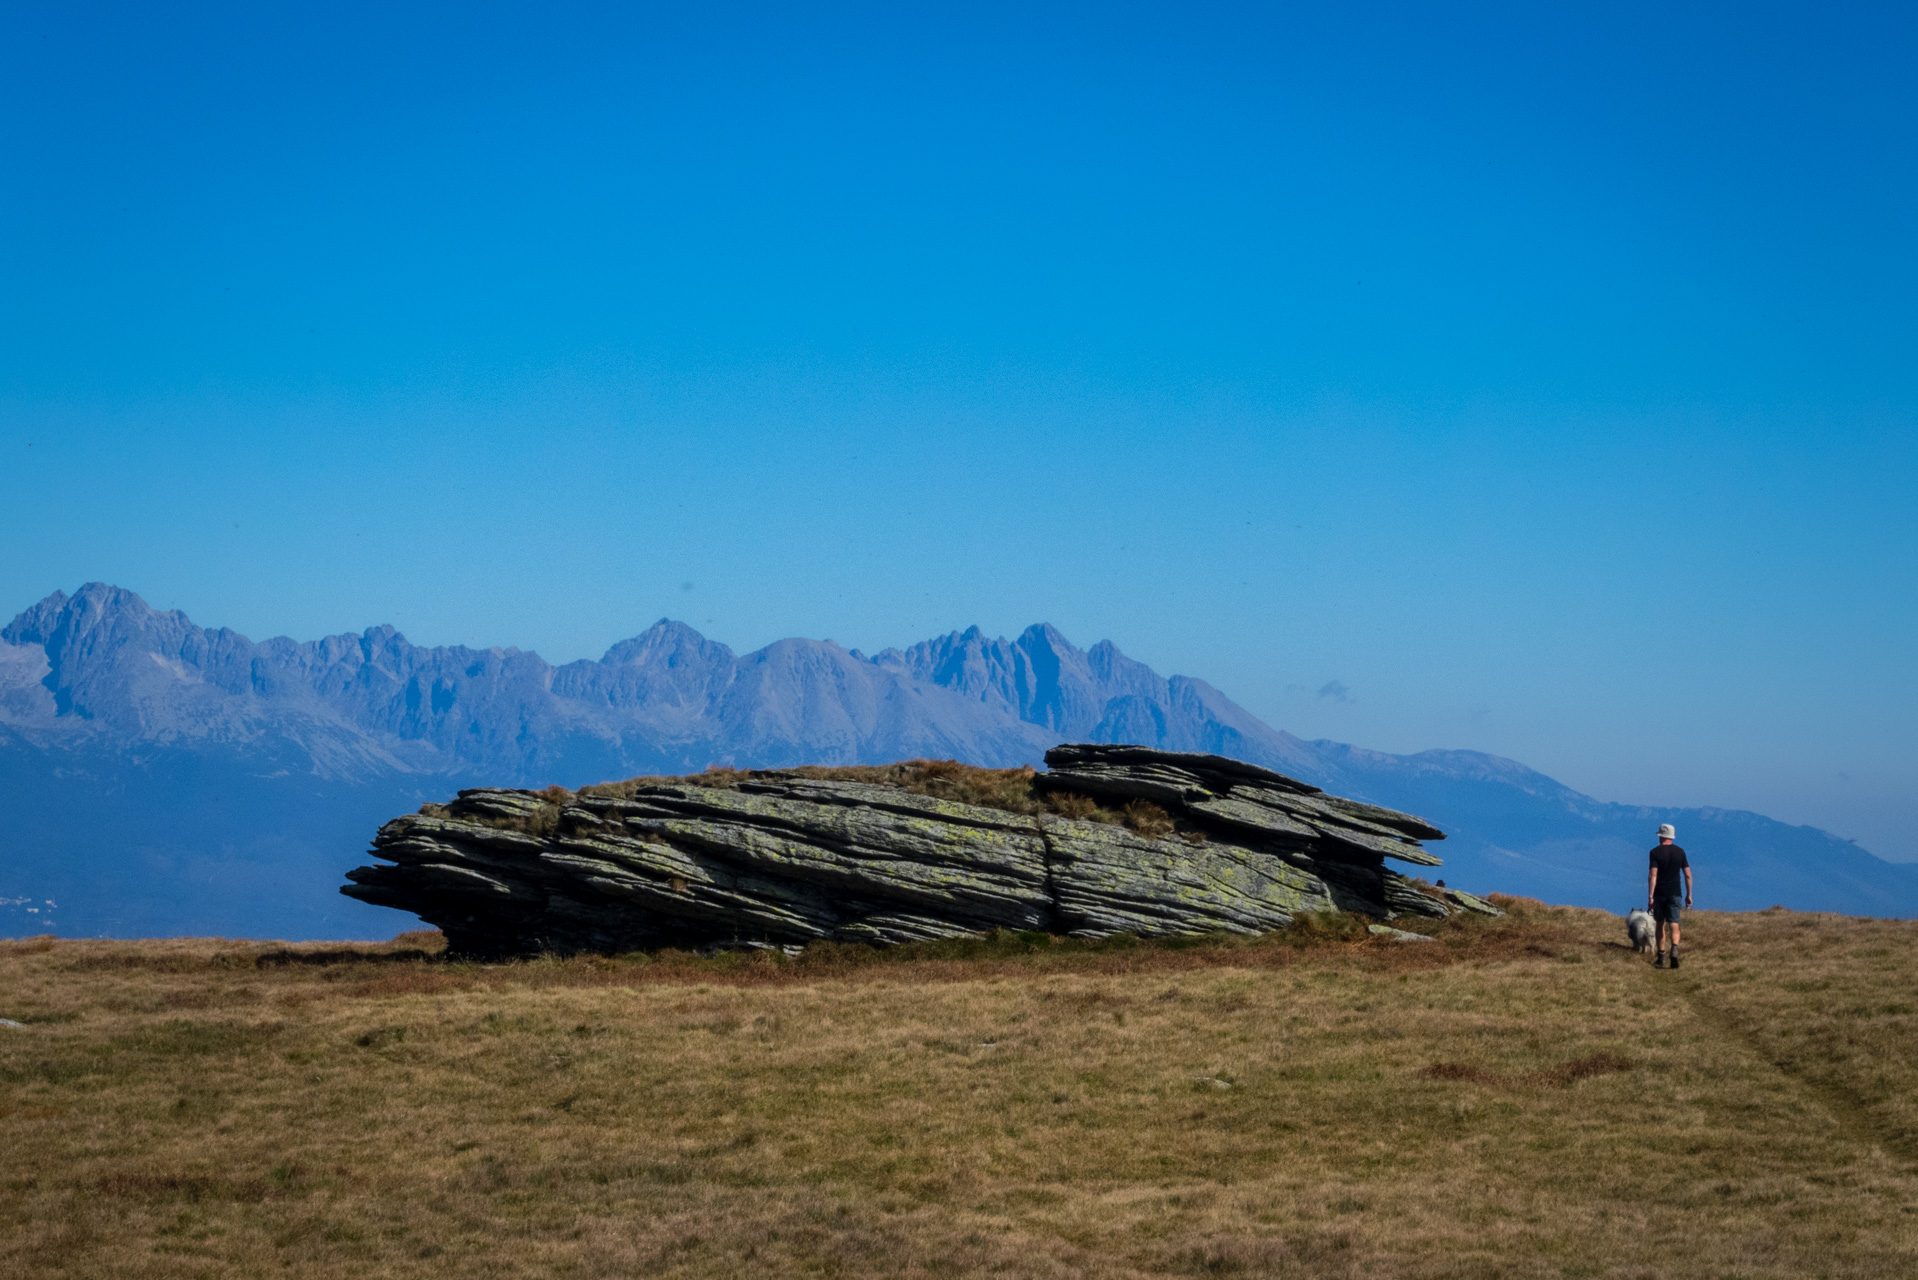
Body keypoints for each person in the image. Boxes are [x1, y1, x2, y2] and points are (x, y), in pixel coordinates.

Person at [1647, 823, 1693, 968]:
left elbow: (1653, 875)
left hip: (1660, 894)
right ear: (1671, 836)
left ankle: (1661, 958)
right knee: (1674, 924)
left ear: (1660, 836)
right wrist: (1689, 895)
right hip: (1675, 893)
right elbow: (1688, 875)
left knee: (1660, 925)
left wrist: (1650, 896)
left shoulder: (1654, 852)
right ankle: (1674, 949)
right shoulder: (1680, 852)